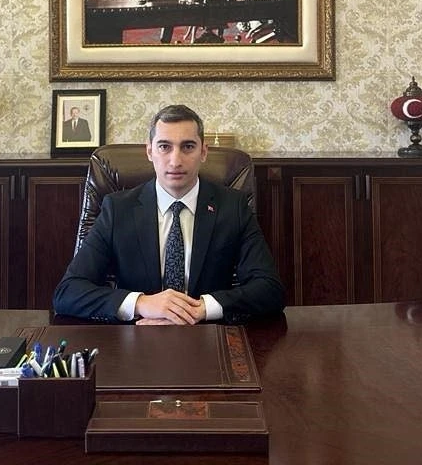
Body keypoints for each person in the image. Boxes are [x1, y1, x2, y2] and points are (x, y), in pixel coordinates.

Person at [53, 104, 285, 325]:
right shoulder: (118, 209)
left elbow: (270, 290)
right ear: (149, 151)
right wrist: (142, 303)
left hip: (206, 335)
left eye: (188, 147)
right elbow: (68, 292)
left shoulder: (232, 207)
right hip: (138, 334)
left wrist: (202, 308)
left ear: (203, 152)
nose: (175, 161)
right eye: (164, 146)